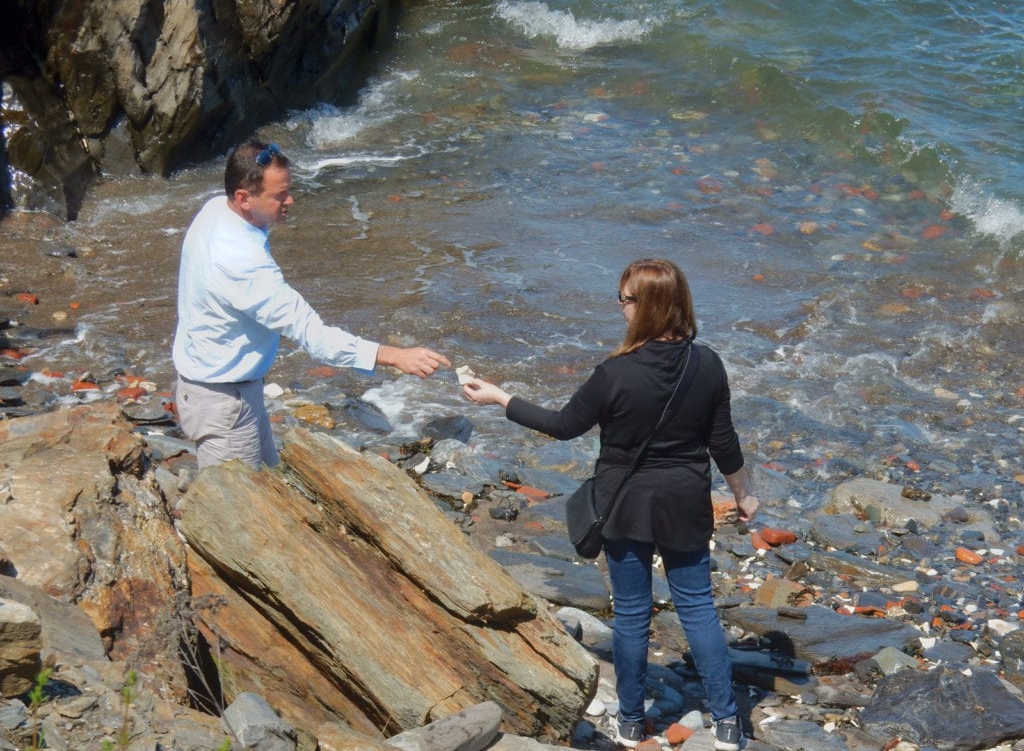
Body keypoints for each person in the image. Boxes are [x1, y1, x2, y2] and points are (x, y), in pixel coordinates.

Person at [462, 258, 758, 751]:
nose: (619, 307)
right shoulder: (707, 363)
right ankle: (728, 722)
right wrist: (744, 493)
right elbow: (722, 441)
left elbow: (562, 426)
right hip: (685, 497)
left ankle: (630, 720)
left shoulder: (615, 373)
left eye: (625, 299)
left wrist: (499, 396)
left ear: (647, 307)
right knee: (699, 608)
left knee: (633, 613)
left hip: (626, 503)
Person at [172, 138, 451, 469]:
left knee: (271, 485)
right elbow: (315, 338)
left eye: (288, 190)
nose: (290, 200)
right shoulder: (243, 265)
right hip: (223, 402)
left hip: (219, 387)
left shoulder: (217, 209)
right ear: (244, 198)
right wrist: (396, 356)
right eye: (279, 196)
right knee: (236, 510)